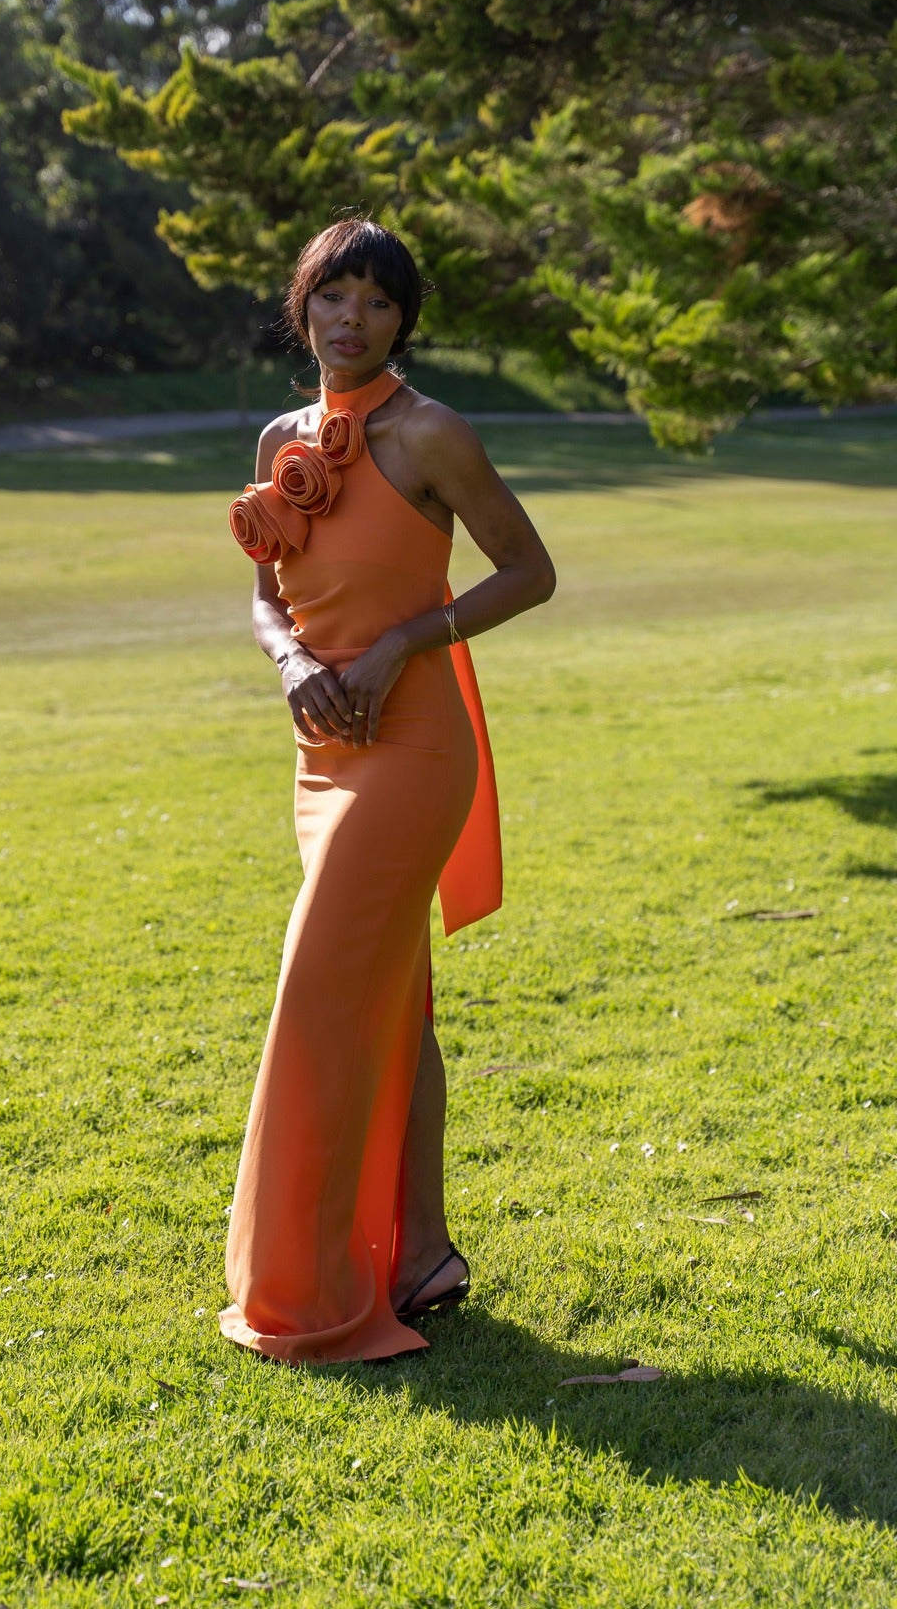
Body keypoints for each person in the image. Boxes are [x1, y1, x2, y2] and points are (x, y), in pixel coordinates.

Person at [221, 218, 555, 1364]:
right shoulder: (282, 438)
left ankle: (305, 1294)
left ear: (402, 319)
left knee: (319, 991)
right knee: (395, 1005)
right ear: (301, 309)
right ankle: (422, 1255)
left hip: (413, 750)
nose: (349, 319)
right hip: (322, 751)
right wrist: (296, 662)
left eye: (374, 300)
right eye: (331, 297)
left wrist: (403, 643)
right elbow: (270, 595)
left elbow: (530, 572)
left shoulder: (429, 435)